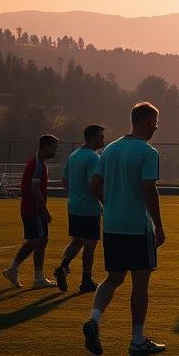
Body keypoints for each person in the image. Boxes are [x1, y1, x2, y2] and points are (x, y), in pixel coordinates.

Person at [83, 101, 166, 356]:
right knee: (140, 282)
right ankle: (137, 339)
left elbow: (94, 186)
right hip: (137, 227)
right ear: (147, 121)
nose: (156, 127)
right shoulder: (148, 152)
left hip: (112, 225)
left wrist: (112, 205)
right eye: (155, 122)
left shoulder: (110, 150)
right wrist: (159, 226)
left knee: (114, 277)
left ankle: (94, 319)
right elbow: (149, 189)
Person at [54, 125, 107, 293]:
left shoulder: (74, 155)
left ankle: (62, 267)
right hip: (88, 208)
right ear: (91, 137)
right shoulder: (93, 158)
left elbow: (64, 182)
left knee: (77, 240)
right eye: (100, 136)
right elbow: (93, 185)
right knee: (90, 243)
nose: (103, 140)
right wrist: (106, 202)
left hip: (74, 206)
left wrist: (75, 194)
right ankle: (86, 280)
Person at [2, 134, 59, 289]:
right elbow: (35, 188)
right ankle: (13, 269)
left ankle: (38, 277)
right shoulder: (38, 164)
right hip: (33, 209)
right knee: (36, 240)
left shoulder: (37, 163)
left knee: (42, 240)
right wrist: (44, 210)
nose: (56, 150)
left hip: (32, 208)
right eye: (54, 146)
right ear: (46, 146)